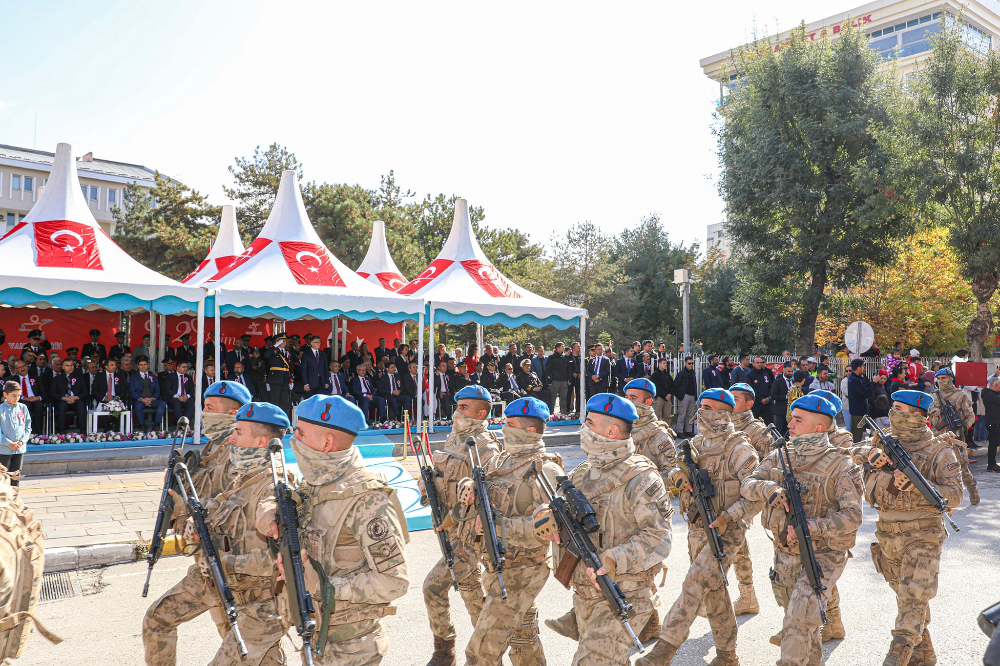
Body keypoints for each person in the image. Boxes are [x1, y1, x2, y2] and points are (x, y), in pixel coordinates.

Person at [262, 394, 409, 663]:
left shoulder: (367, 499)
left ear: (326, 442)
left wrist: (327, 587)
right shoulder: (315, 487)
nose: (293, 439)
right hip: (317, 637)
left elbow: (394, 582)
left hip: (352, 649)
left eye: (300, 433)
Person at [542, 393, 671, 665]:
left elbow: (659, 538)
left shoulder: (642, 478)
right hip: (585, 596)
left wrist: (614, 557)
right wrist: (543, 516)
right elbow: (557, 510)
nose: (583, 428)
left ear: (611, 431)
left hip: (624, 593)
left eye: (590, 423)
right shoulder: (582, 473)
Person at [638, 388, 761, 666]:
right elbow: (670, 474)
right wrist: (677, 476)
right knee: (713, 588)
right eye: (701, 406)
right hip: (696, 528)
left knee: (694, 584)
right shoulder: (695, 445)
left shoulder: (740, 449)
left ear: (724, 413)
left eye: (708, 407)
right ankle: (727, 655)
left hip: (726, 532)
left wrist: (728, 517)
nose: (701, 412)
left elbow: (756, 496)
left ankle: (665, 649)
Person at [843, 390, 963, 665]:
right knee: (909, 599)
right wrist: (869, 453)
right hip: (887, 535)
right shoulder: (883, 441)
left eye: (899, 409)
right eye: (893, 408)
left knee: (912, 597)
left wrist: (920, 489)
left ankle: (897, 655)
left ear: (918, 416)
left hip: (924, 534)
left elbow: (954, 494)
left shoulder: (939, 450)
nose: (893, 413)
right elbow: (850, 451)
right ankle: (924, 653)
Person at [742, 394, 862, 665]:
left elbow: (853, 516)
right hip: (785, 553)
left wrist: (813, 526)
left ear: (819, 428)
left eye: (798, 420)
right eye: (791, 418)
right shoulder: (780, 456)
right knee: (804, 626)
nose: (790, 424)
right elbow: (748, 483)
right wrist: (768, 488)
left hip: (824, 556)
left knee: (797, 621)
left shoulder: (841, 465)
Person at [141, 380, 252, 666]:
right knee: (233, 638)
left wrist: (189, 510)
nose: (203, 413)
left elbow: (232, 510)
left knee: (244, 644)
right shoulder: (209, 451)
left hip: (230, 565)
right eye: (203, 407)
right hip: (208, 562)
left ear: (232, 414)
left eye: (210, 408)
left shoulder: (240, 454)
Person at [462, 398, 562, 665]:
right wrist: (470, 486)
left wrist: (498, 527)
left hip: (524, 570)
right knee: (523, 639)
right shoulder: (502, 460)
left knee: (480, 651)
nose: (503, 428)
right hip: (497, 566)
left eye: (510, 424)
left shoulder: (546, 470)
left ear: (529, 431)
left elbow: (552, 529)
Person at [422, 385, 501, 666]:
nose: (457, 411)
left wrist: (455, 515)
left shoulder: (485, 446)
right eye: (457, 406)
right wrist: (429, 482)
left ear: (481, 413)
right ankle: (485, 655)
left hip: (468, 536)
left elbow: (490, 495)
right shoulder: (456, 439)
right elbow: (446, 478)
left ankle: (446, 651)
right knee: (471, 595)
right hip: (450, 531)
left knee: (433, 586)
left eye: (464, 407)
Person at [727, 383, 774, 618]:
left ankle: (747, 595)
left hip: (745, 497)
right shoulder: (720, 425)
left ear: (749, 404)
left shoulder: (757, 431)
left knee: (737, 546)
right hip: (723, 495)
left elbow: (771, 463)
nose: (729, 401)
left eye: (735, 398)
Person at [929, 368, 980, 505]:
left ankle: (972, 490)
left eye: (944, 378)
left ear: (951, 379)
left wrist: (961, 428)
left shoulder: (960, 395)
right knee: (936, 468)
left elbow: (970, 416)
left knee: (962, 467)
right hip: (938, 437)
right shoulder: (933, 396)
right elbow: (926, 414)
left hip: (955, 437)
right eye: (939, 379)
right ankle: (938, 497)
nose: (941, 381)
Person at [0, 381, 30, 486]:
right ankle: (4, 500)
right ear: (5, 394)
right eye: (13, 395)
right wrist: (9, 443)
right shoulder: (1, 410)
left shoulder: (23, 408)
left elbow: (28, 427)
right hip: (4, 449)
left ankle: (15, 499)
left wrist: (21, 441)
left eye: (18, 395)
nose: (16, 398)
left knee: (16, 475)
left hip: (19, 448)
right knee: (4, 477)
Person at [130, 357, 166, 431]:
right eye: (141, 365)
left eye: (145, 364)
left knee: (162, 404)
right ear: (138, 366)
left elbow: (157, 390)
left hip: (152, 399)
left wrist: (152, 398)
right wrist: (142, 399)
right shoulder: (133, 377)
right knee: (138, 406)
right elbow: (132, 392)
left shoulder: (153, 376)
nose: (143, 366)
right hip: (139, 400)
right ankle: (142, 425)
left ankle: (156, 425)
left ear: (148, 365)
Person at [262, 334, 292, 418]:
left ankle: (283, 419)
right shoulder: (273, 351)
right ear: (277, 342)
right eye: (282, 341)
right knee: (275, 400)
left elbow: (290, 367)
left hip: (285, 379)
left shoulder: (287, 352)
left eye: (285, 341)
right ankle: (274, 418)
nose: (284, 343)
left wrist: (291, 379)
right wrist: (275, 346)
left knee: (284, 402)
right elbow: (266, 355)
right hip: (275, 379)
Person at [52, 358, 86, 433]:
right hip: (63, 400)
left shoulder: (79, 377)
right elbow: (53, 393)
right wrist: (63, 398)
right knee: (61, 406)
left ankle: (83, 431)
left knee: (81, 404)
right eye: (67, 365)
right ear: (63, 367)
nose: (70, 367)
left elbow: (85, 392)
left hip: (76, 400)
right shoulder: (57, 378)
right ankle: (62, 431)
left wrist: (76, 397)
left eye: (71, 365)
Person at [11, 361, 43, 434]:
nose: (22, 368)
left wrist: (38, 398)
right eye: (19, 367)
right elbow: (12, 394)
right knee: (25, 407)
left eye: (24, 366)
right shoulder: (12, 380)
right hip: (21, 400)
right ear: (16, 370)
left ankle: (38, 432)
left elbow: (44, 392)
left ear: (27, 366)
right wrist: (23, 398)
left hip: (35, 399)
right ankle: (27, 431)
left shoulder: (36, 378)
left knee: (39, 406)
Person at [673, 357, 698, 437]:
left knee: (690, 414)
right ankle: (680, 431)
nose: (691, 365)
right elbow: (675, 385)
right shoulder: (682, 373)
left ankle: (688, 430)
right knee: (682, 414)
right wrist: (680, 395)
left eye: (692, 363)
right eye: (689, 363)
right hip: (685, 396)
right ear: (685, 363)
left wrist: (695, 395)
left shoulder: (692, 372)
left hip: (692, 395)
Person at [847, 359, 870, 442]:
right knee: (857, 436)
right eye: (863, 366)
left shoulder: (859, 378)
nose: (865, 368)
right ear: (858, 368)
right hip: (857, 411)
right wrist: (873, 383)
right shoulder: (854, 379)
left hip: (861, 410)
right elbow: (865, 392)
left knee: (860, 433)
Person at [546, 342, 572, 415]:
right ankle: (551, 413)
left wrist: (569, 379)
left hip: (564, 381)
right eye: (562, 346)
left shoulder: (566, 357)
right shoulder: (551, 357)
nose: (563, 347)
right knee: (553, 398)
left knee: (563, 398)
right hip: (554, 381)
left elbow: (569, 369)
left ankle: (563, 413)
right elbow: (548, 369)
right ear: (557, 348)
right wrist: (549, 381)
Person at [770, 363, 796, 436]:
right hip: (780, 411)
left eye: (791, 372)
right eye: (788, 371)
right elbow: (773, 395)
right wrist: (786, 397)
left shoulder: (793, 382)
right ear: (784, 371)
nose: (790, 373)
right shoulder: (778, 381)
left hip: (790, 412)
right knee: (779, 431)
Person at [747, 357, 775, 424]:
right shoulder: (750, 375)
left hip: (767, 404)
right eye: (758, 363)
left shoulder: (765, 374)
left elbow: (770, 386)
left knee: (768, 423)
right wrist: (760, 399)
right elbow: (751, 389)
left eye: (761, 363)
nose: (760, 364)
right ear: (753, 364)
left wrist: (768, 397)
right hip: (756, 404)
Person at [983, 375, 1000, 473]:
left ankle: (993, 464)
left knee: (995, 443)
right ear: (996, 385)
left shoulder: (994, 393)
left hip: (996, 422)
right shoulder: (989, 394)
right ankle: (991, 465)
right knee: (993, 444)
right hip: (994, 422)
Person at [651, 357, 674, 423]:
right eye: (664, 363)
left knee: (667, 417)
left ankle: (667, 431)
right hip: (659, 397)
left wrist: (670, 394)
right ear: (659, 364)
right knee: (656, 416)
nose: (665, 365)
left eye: (666, 363)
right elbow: (657, 387)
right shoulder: (655, 375)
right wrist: (665, 395)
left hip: (668, 398)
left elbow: (671, 385)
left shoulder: (667, 374)